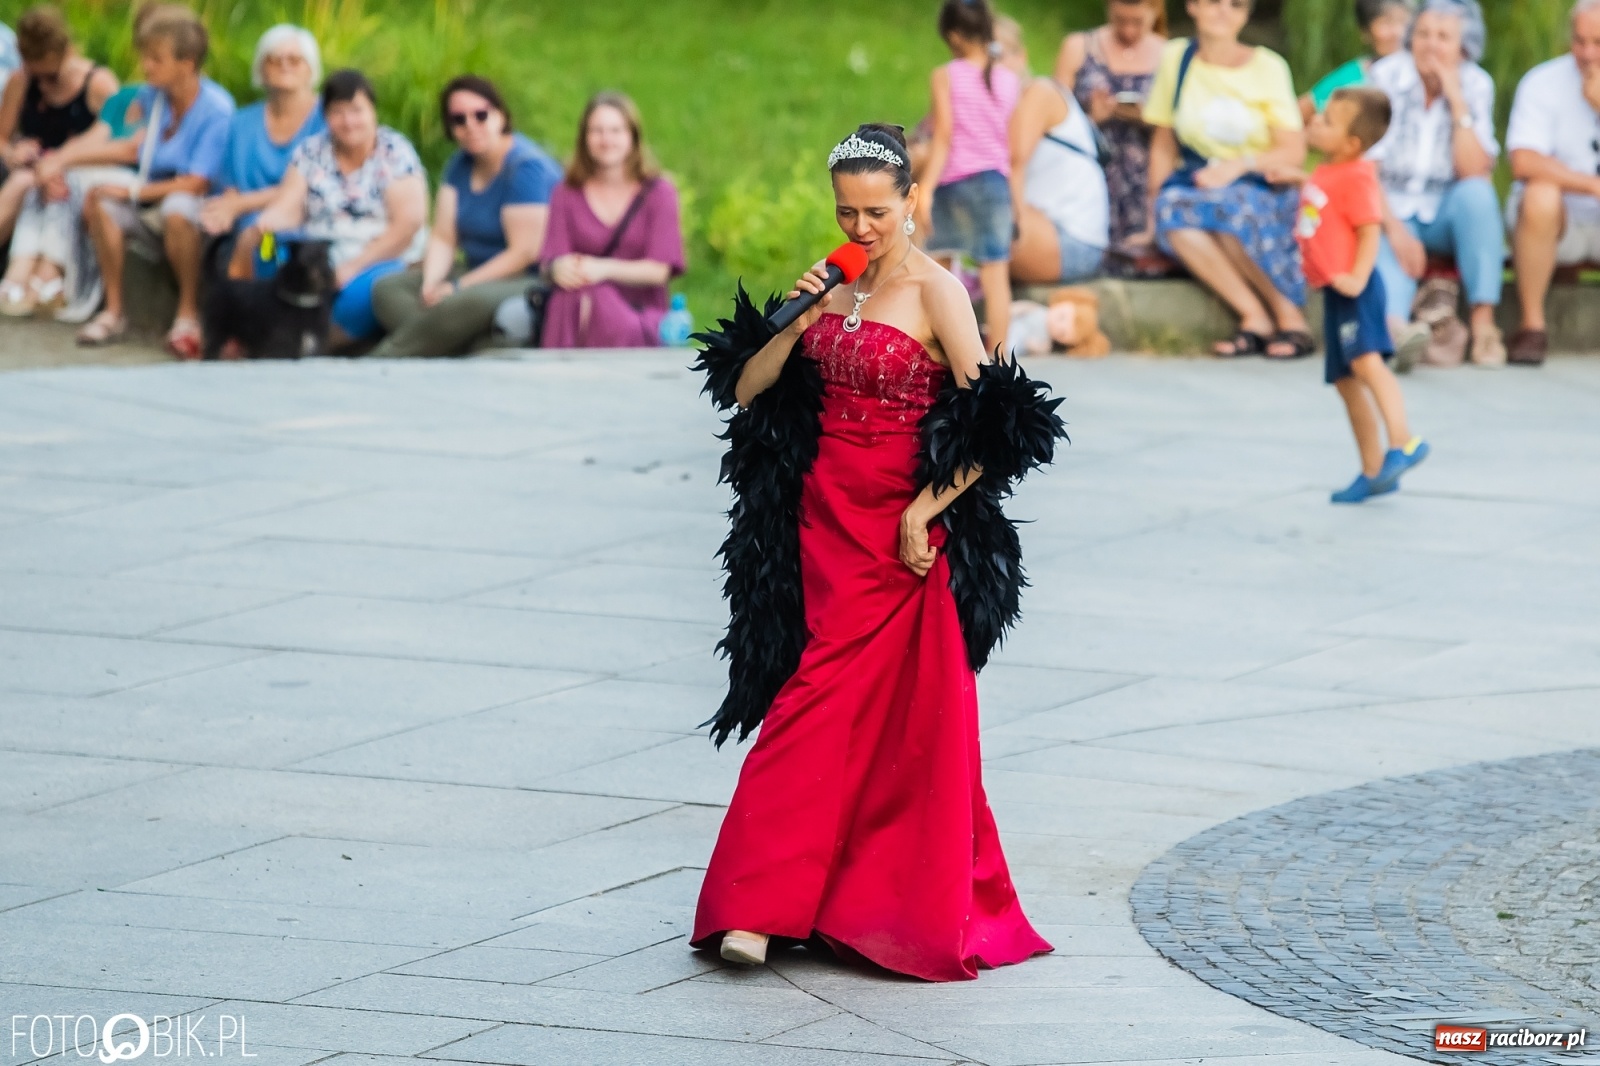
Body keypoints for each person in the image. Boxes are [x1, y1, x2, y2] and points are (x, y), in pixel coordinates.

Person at [691, 123, 1060, 982]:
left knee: (835, 714)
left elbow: (997, 429)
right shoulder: (831, 285)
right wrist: (796, 320)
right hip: (819, 523)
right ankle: (795, 899)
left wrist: (924, 512)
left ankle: (760, 907)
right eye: (847, 212)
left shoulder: (939, 292)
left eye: (877, 213)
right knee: (826, 707)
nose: (861, 228)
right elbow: (745, 390)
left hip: (898, 537)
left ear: (912, 202)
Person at [1143, 0, 1312, 359]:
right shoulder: (1176, 58)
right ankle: (1253, 314)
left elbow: (1292, 150)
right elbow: (1163, 142)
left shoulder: (1268, 67)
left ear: (1246, 15)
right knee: (1172, 210)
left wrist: (1237, 166)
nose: (1223, 11)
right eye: (1214, 1)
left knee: (1230, 207)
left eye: (1236, 5)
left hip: (1259, 183)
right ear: (1193, 6)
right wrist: (1151, 210)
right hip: (1202, 183)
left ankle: (1290, 316)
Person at [225, 69, 427, 348]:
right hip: (318, 252)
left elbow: (407, 226)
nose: (348, 122)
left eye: (356, 111)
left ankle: (325, 337)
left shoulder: (395, 152)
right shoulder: (311, 151)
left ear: (372, 112)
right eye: (337, 112)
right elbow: (289, 205)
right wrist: (264, 225)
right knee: (266, 248)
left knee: (362, 295)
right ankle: (256, 327)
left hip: (378, 254)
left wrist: (351, 267)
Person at [1298, 87, 1430, 504]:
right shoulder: (1329, 169)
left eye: (1327, 122)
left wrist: (1356, 277)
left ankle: (1403, 442)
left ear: (1352, 143)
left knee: (1368, 364)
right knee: (1345, 380)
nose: (1315, 122)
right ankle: (1373, 470)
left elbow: (1369, 230)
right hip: (1335, 291)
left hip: (1357, 289)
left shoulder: (1357, 175)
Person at [76, 11, 233, 354]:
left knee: (177, 206)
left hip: (199, 213)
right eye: (145, 56)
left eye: (156, 59)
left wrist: (132, 191)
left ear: (186, 64)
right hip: (152, 201)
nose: (146, 66)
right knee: (102, 199)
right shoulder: (153, 97)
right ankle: (114, 311)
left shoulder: (216, 110)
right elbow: (133, 147)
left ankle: (188, 314)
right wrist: (66, 160)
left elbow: (196, 183)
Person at [6, 1, 172, 324]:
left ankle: (51, 272)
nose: (146, 63)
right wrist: (53, 162)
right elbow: (97, 137)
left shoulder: (168, 100)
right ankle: (23, 268)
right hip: (103, 177)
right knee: (47, 176)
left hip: (149, 185)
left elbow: (132, 150)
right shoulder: (130, 96)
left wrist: (60, 163)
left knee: (68, 178)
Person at [370, 75, 559, 356]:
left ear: (500, 115)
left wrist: (458, 287)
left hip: (525, 278)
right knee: (387, 289)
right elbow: (444, 236)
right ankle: (468, 349)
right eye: (459, 119)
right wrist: (432, 282)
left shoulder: (526, 168)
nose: (470, 125)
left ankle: (385, 357)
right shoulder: (460, 164)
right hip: (474, 269)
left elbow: (523, 254)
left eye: (480, 115)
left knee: (461, 303)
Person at [1368, 0, 1505, 368]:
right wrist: (1396, 230)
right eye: (1423, 34)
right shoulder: (1387, 76)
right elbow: (1366, 166)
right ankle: (1396, 333)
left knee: (1478, 196)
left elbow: (1473, 169)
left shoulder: (1476, 83)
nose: (1431, 45)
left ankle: (1484, 326)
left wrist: (1456, 100)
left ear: (1464, 47)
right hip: (1391, 203)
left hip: (1446, 207)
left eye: (1444, 37)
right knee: (1382, 241)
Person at [536, 91, 683, 348]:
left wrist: (600, 269)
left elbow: (659, 270)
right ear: (584, 138)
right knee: (579, 296)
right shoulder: (566, 192)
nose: (606, 139)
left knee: (597, 299)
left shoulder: (659, 192)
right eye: (597, 131)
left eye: (616, 130)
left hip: (638, 310)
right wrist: (558, 268)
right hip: (578, 306)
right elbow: (551, 259)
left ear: (632, 136)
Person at [1503, 0, 1600, 366]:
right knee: (1540, 193)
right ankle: (1532, 326)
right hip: (1561, 224)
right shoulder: (1543, 81)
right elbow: (1524, 161)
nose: (1587, 53)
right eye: (1579, 41)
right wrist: (1591, 185)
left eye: (1598, 42)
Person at [920, 0, 1020, 354]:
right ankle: (1000, 361)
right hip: (995, 183)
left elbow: (943, 136)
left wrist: (925, 189)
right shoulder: (1010, 79)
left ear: (954, 36)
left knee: (940, 272)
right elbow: (1010, 142)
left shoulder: (945, 75)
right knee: (996, 277)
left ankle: (939, 351)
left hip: (955, 183)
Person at [0, 6, 118, 259]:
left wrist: (61, 162)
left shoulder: (99, 84)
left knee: (29, 184)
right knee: (23, 181)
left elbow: (121, 144)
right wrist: (13, 152)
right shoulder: (19, 82)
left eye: (51, 77)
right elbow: (2, 137)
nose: (43, 85)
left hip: (79, 174)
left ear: (68, 52)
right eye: (36, 77)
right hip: (34, 172)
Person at [1055, 0, 1167, 264]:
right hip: (1090, 173)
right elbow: (1054, 119)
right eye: (1120, 21)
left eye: (1137, 22)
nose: (1128, 31)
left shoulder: (1170, 54)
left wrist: (1151, 118)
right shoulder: (1079, 47)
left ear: (1154, 10)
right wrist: (1092, 119)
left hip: (1146, 176)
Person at [198, 24, 324, 254]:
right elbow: (229, 184)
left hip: (308, 217)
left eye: (294, 59)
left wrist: (240, 205)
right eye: (274, 60)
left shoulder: (329, 118)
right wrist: (226, 209)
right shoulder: (241, 122)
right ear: (261, 68)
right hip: (247, 221)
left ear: (311, 69)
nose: (284, 65)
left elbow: (318, 186)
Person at [1008, 72, 1111, 283]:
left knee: (981, 206)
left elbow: (1012, 164)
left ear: (1020, 57)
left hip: (1071, 242)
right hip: (1051, 231)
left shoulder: (1040, 92)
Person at [1299, 0, 1416, 123]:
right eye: (1386, 22)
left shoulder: (1424, 73)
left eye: (1403, 21)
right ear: (1365, 32)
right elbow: (1297, 113)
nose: (1398, 32)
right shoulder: (1352, 77)